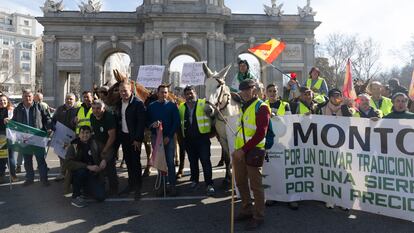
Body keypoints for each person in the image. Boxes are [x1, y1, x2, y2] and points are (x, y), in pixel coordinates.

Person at [233, 79, 270, 231]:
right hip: (241, 150)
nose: (245, 92)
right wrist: (237, 149)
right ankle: (247, 209)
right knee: (241, 182)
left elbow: (261, 133)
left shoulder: (261, 107)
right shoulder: (244, 106)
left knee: (256, 186)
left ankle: (259, 216)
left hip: (253, 151)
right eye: (242, 90)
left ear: (254, 89)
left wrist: (243, 149)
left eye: (248, 89)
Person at [178, 86, 214, 196]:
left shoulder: (203, 103)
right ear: (184, 96)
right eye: (187, 94)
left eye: (191, 93)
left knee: (205, 162)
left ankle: (209, 184)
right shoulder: (182, 107)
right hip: (188, 140)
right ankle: (195, 180)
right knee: (193, 162)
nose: (189, 96)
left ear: (195, 93)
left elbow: (212, 114)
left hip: (202, 139)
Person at [11, 89, 52, 186]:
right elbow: (14, 122)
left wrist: (49, 128)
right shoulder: (18, 109)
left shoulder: (39, 107)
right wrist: (8, 122)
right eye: (25, 96)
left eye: (29, 96)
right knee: (27, 161)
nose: (27, 98)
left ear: (33, 97)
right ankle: (29, 179)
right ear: (22, 97)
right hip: (24, 139)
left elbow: (47, 119)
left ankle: (44, 179)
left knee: (41, 160)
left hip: (38, 138)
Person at [147, 84, 180, 196]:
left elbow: (176, 122)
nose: (164, 94)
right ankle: (162, 185)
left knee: (170, 162)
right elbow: (147, 122)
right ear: (158, 93)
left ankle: (172, 186)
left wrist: (169, 136)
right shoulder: (151, 106)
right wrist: (152, 124)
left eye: (166, 92)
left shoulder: (172, 106)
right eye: (162, 92)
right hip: (156, 138)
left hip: (168, 138)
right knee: (159, 162)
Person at [64, 126, 106, 208]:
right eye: (82, 133)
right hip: (78, 174)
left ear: (90, 134)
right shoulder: (73, 146)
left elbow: (107, 151)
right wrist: (87, 166)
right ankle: (76, 196)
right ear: (78, 135)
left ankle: (86, 189)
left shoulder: (95, 143)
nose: (84, 135)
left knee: (101, 197)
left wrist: (104, 159)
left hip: (91, 175)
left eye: (87, 133)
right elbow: (67, 163)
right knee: (81, 171)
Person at [117, 81, 146, 200]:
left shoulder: (138, 104)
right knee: (128, 161)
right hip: (124, 136)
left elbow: (141, 123)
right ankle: (131, 184)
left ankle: (138, 187)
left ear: (131, 90)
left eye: (125, 90)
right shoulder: (119, 103)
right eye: (121, 91)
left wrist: (138, 139)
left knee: (135, 162)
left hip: (134, 138)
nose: (123, 93)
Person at [90, 99, 118, 196]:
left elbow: (112, 136)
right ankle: (101, 186)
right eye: (93, 108)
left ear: (103, 108)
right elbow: (93, 130)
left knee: (109, 166)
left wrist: (105, 151)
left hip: (108, 143)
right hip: (97, 143)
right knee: (98, 166)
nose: (95, 110)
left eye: (98, 108)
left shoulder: (109, 117)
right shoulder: (92, 117)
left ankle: (114, 188)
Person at [51, 93, 78, 181]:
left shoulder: (78, 110)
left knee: (71, 156)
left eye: (71, 99)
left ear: (75, 100)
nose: (69, 100)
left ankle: (71, 174)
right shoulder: (60, 109)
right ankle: (62, 173)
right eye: (67, 99)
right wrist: (52, 127)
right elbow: (53, 120)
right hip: (60, 136)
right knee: (61, 155)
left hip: (72, 137)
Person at [0, 94, 17, 183]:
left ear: (7, 101)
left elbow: (16, 122)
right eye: (0, 101)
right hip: (0, 137)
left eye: (4, 100)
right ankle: (1, 174)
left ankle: (13, 174)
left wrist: (10, 121)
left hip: (9, 136)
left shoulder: (11, 110)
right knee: (1, 156)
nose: (2, 102)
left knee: (10, 157)